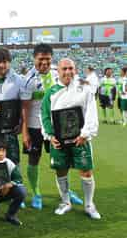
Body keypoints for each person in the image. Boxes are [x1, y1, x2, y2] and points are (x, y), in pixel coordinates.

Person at [21, 44, 82, 209]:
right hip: (35, 127)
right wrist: (25, 132)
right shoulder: (27, 80)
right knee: (34, 160)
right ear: (34, 59)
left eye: (47, 59)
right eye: (40, 59)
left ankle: (67, 192)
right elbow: (25, 108)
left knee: (62, 161)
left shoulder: (58, 73)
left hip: (58, 127)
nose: (44, 62)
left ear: (51, 59)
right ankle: (36, 193)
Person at [41, 58, 100, 219]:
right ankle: (65, 202)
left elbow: (91, 112)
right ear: (58, 71)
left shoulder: (84, 88)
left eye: (70, 68)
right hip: (58, 141)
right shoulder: (51, 92)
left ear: (75, 69)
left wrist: (85, 134)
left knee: (86, 171)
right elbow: (45, 116)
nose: (68, 72)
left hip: (80, 139)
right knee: (61, 171)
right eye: (64, 69)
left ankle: (89, 204)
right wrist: (50, 136)